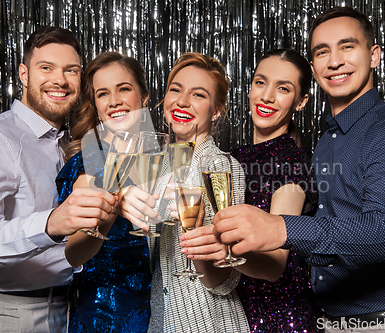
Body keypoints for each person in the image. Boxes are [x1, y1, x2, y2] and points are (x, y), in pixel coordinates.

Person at [209, 7, 385, 332]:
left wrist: (281, 229)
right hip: (328, 322)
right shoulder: (327, 140)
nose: (334, 61)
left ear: (374, 55)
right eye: (322, 51)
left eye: (347, 47)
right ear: (315, 67)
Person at [0, 26, 117, 332]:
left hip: (71, 309)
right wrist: (52, 223)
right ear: (24, 74)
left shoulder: (72, 143)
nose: (59, 80)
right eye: (46, 68)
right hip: (10, 315)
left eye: (71, 70)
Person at [181, 48, 322, 332]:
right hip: (233, 314)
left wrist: (227, 250)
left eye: (283, 88)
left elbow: (275, 265)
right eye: (260, 82)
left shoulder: (290, 162)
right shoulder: (230, 159)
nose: (267, 96)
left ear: (301, 102)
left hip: (276, 318)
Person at [119, 52, 250, 333]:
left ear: (216, 110)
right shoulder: (155, 163)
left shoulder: (221, 166)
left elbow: (226, 281)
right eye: (175, 90)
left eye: (198, 95)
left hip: (205, 321)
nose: (182, 101)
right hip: (159, 317)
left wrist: (195, 233)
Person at [56, 51, 152, 333]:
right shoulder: (89, 163)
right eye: (102, 94)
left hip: (161, 314)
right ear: (95, 105)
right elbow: (74, 254)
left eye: (124, 89)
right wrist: (111, 209)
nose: (114, 101)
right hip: (105, 318)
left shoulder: (162, 158)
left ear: (144, 97)